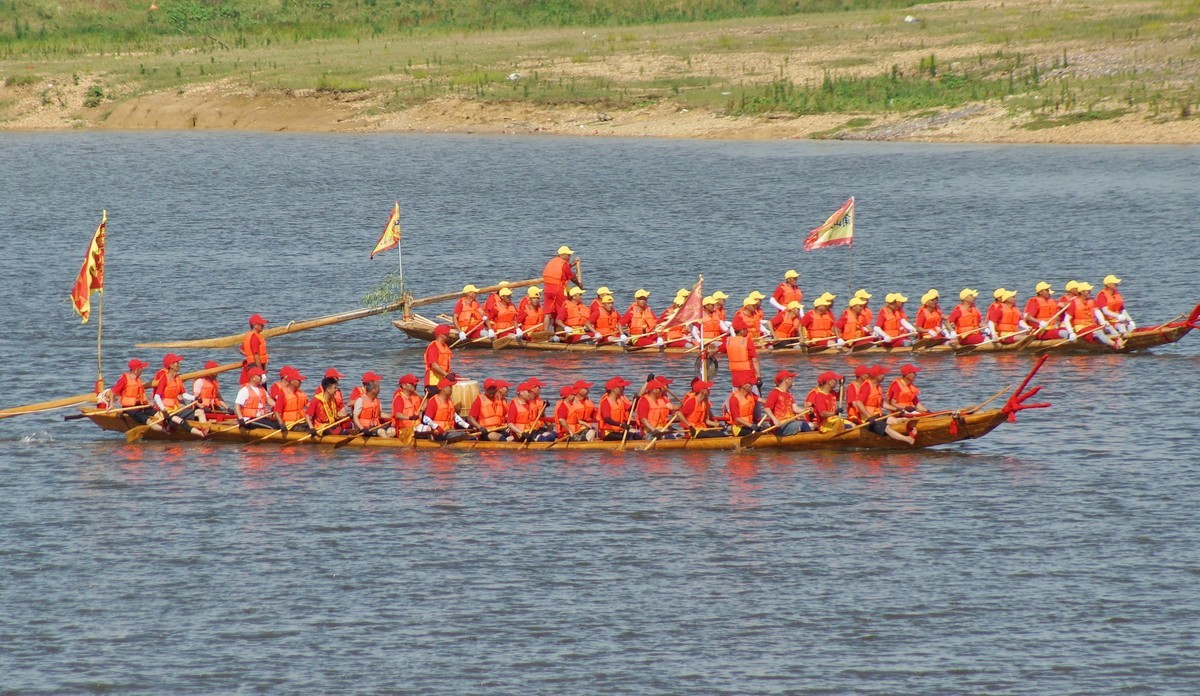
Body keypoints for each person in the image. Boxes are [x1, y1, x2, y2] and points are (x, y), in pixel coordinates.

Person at [150, 354, 208, 437]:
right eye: (176, 362)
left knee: (200, 412)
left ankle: (205, 430)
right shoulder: (164, 378)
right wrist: (163, 410)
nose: (179, 364)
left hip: (176, 408)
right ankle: (200, 434)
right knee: (180, 421)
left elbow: (183, 394)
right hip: (167, 411)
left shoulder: (178, 378)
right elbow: (157, 396)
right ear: (171, 365)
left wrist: (195, 398)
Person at [1064, 281, 1121, 348]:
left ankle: (1120, 340)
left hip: (1092, 325)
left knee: (1109, 327)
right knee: (1098, 332)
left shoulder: (1092, 301)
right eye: (1088, 291)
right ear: (1082, 292)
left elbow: (1097, 312)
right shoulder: (1074, 303)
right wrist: (1071, 332)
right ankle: (1114, 345)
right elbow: (1066, 319)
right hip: (1081, 328)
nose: (1090, 292)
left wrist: (1102, 321)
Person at [541, 245, 580, 332]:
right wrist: (579, 284)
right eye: (568, 255)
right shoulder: (564, 264)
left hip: (547, 288)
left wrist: (572, 264)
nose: (569, 257)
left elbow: (562, 270)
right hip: (557, 289)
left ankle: (545, 332)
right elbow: (572, 277)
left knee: (547, 312)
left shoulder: (552, 262)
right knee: (562, 309)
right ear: (563, 255)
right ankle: (563, 331)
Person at [721, 315, 761, 391]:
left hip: (735, 377)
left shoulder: (728, 341)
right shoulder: (748, 341)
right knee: (754, 399)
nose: (747, 331)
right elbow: (755, 360)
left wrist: (709, 355)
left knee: (738, 398)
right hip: (749, 376)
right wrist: (759, 376)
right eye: (746, 329)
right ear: (742, 331)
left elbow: (719, 349)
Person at [763, 369, 807, 436]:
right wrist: (775, 420)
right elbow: (766, 408)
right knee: (807, 425)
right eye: (791, 379)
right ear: (786, 380)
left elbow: (795, 409)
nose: (792, 381)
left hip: (791, 422)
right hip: (780, 425)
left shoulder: (788, 393)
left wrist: (806, 409)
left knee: (813, 425)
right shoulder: (774, 393)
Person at [597, 376, 637, 440]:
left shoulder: (620, 401)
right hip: (608, 433)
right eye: (621, 387)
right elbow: (607, 419)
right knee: (625, 437)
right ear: (614, 389)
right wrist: (621, 425)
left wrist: (636, 400)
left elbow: (631, 409)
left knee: (637, 437)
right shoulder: (606, 402)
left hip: (619, 431)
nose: (623, 389)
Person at [272, 368, 310, 433]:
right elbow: (276, 411)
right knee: (306, 431)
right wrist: (281, 424)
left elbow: (309, 405)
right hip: (290, 424)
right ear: (292, 381)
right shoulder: (283, 393)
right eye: (299, 380)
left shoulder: (300, 392)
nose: (301, 382)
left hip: (301, 421)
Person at [423, 324, 454, 396]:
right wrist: (447, 375)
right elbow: (434, 365)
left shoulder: (445, 346)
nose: (449, 334)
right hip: (433, 382)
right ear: (441, 335)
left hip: (442, 381)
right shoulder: (433, 347)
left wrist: (450, 373)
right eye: (447, 333)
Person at [240, 313, 270, 385]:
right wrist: (261, 373)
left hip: (252, 365)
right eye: (261, 324)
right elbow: (256, 355)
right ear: (255, 325)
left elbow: (241, 350)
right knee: (260, 388)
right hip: (255, 366)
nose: (263, 325)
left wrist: (248, 355)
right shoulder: (255, 337)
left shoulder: (249, 336)